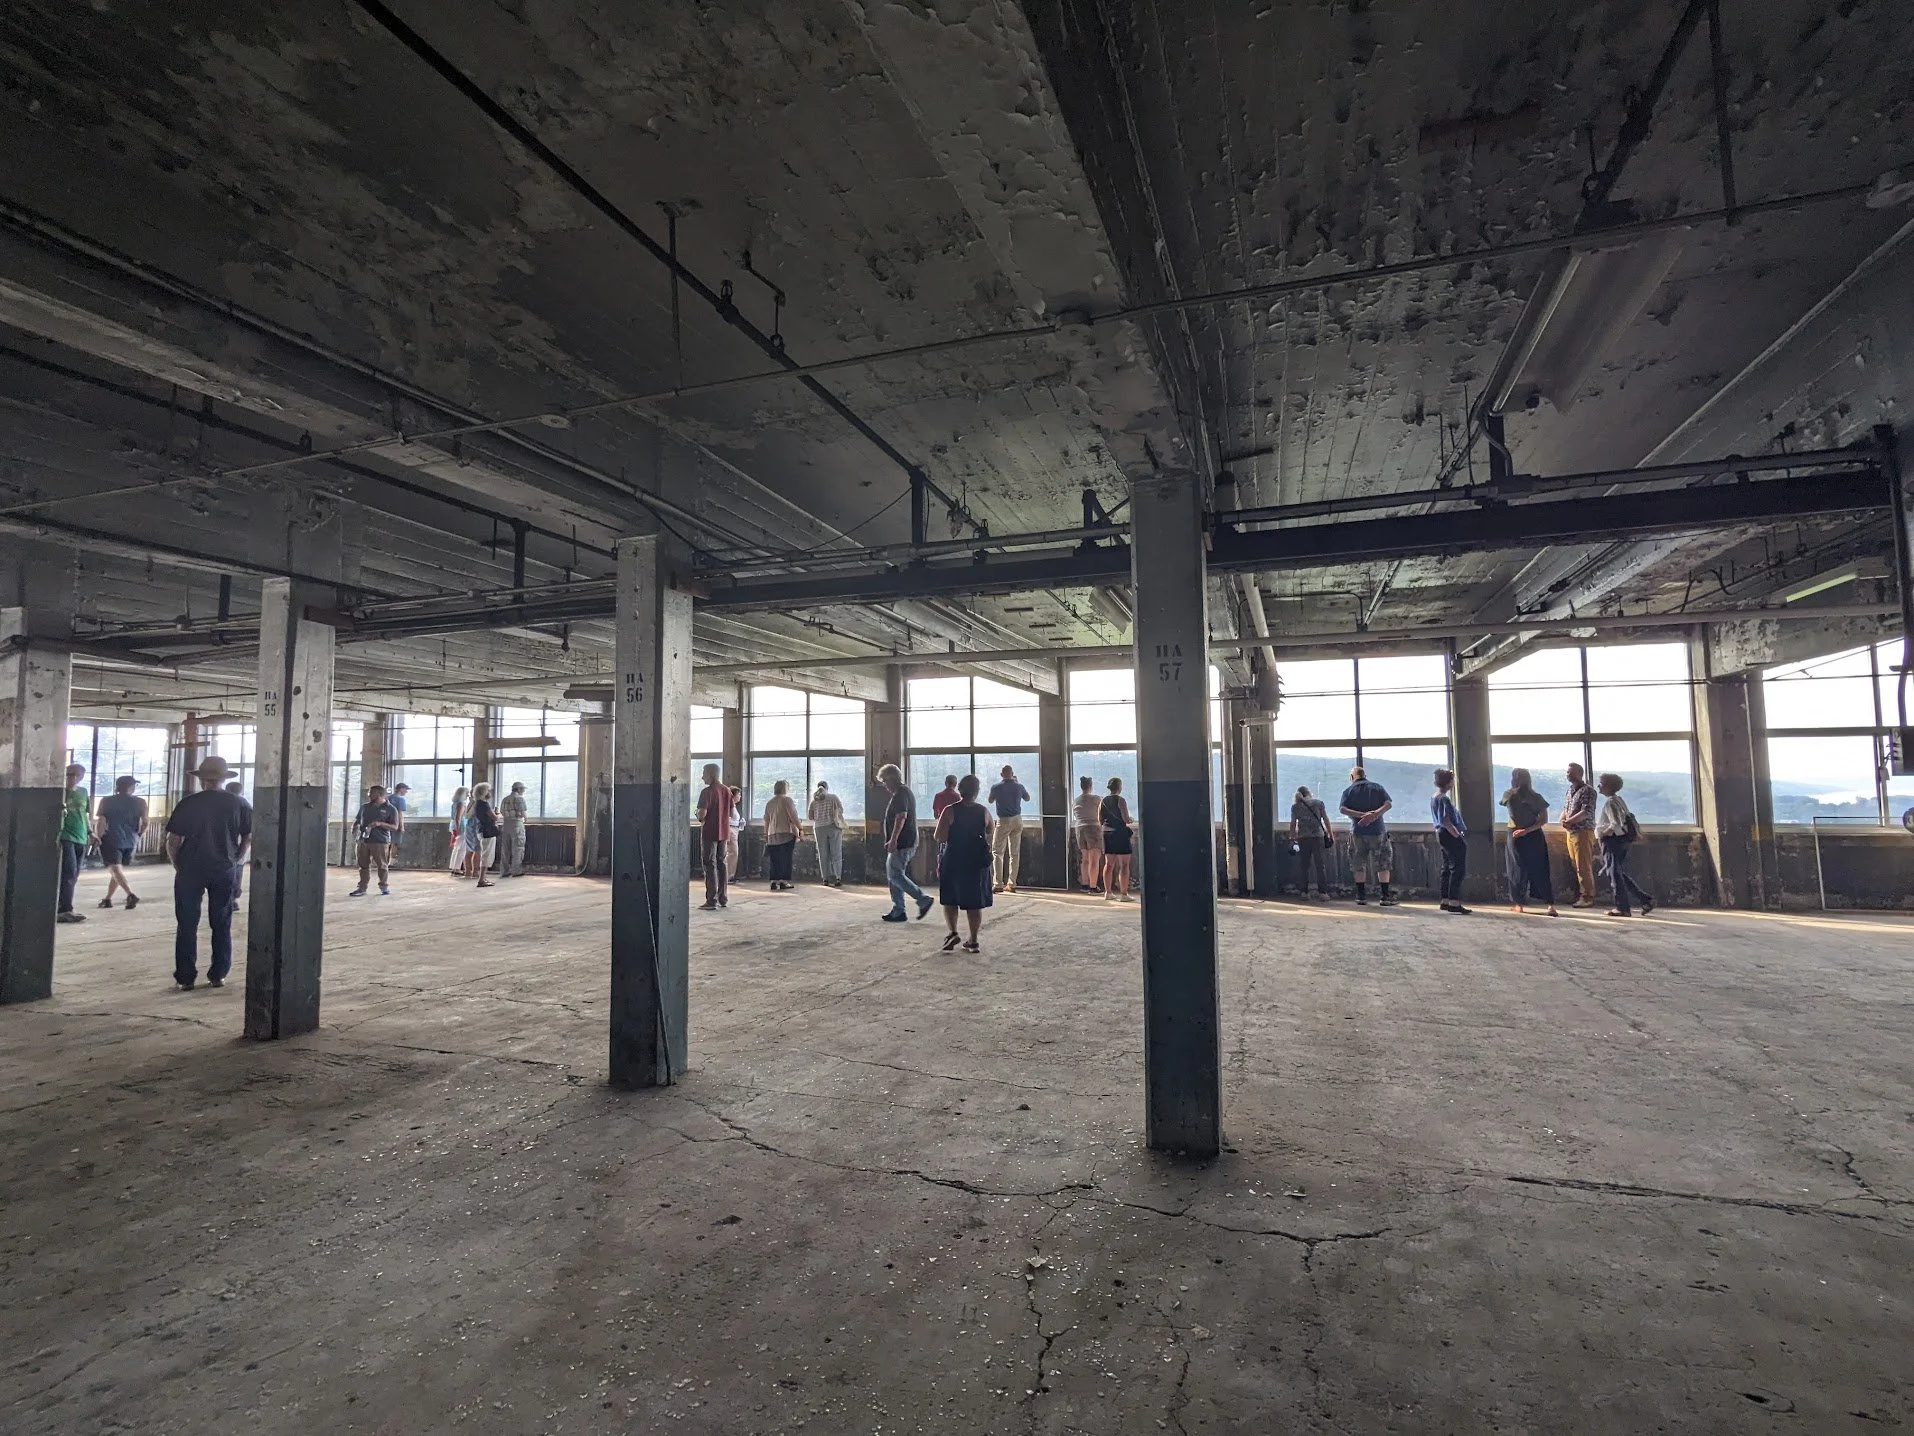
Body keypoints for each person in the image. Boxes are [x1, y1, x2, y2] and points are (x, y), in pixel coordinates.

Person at [164, 755, 252, 991]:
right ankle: (218, 974)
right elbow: (248, 837)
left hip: (190, 870)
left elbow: (173, 840)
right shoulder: (239, 804)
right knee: (221, 922)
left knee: (186, 924)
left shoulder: (188, 803)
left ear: (202, 780)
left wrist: (177, 864)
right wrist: (236, 858)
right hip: (223, 869)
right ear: (223, 779)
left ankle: (185, 977)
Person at [935, 773, 994, 952]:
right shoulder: (983, 811)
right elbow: (990, 829)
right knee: (974, 901)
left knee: (950, 898)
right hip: (976, 861)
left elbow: (940, 836)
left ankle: (953, 932)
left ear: (960, 790)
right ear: (977, 791)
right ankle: (973, 940)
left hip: (954, 858)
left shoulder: (950, 810)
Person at [876, 763, 934, 923]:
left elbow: (901, 817)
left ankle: (922, 899)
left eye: (884, 781)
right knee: (893, 875)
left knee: (895, 874)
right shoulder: (902, 793)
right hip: (902, 841)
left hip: (903, 842)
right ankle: (898, 910)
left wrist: (893, 839)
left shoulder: (901, 794)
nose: (884, 785)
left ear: (891, 778)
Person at [1596, 773, 1655, 917]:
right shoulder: (1619, 800)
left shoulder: (1610, 802)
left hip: (1612, 841)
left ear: (1608, 787)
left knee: (1614, 874)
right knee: (1618, 873)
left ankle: (1622, 907)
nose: (1599, 786)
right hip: (1622, 841)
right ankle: (1644, 899)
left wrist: (1603, 833)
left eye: (1601, 783)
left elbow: (1615, 824)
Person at [1501, 768, 1558, 916]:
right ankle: (1550, 905)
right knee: (1540, 869)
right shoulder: (1536, 797)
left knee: (1516, 869)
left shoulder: (1509, 795)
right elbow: (1543, 820)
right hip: (1534, 836)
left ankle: (1519, 904)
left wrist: (1521, 830)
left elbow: (1513, 815)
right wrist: (1528, 830)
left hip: (1515, 834)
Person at [1338, 766, 1396, 906]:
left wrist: (1360, 815)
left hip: (1357, 832)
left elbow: (1342, 809)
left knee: (1358, 863)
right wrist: (1374, 815)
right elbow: (1388, 804)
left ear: (1352, 777)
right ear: (1365, 775)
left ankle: (1361, 896)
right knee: (1383, 863)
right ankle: (1384, 896)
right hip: (1378, 831)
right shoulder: (1377, 787)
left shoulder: (1348, 791)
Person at [94, 774, 148, 911]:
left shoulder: (106, 801)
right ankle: (107, 899)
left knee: (115, 869)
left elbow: (101, 821)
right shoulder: (141, 802)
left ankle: (130, 894)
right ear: (131, 787)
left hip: (111, 837)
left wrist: (98, 837)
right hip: (130, 839)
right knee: (118, 870)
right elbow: (145, 823)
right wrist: (138, 835)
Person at [349, 784, 401, 896]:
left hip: (380, 841)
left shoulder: (391, 809)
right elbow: (358, 819)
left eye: (371, 792)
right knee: (363, 865)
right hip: (363, 840)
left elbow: (395, 827)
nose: (368, 794)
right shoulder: (364, 807)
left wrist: (380, 824)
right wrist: (354, 826)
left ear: (379, 794)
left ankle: (383, 886)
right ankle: (362, 887)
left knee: (382, 865)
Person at [1431, 769, 1471, 914]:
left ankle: (1445, 900)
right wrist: (1456, 835)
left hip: (1440, 834)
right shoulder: (1444, 799)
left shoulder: (1435, 796)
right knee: (1457, 868)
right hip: (1448, 834)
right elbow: (1446, 820)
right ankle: (1454, 902)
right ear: (1449, 782)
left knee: (1447, 867)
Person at [696, 765, 735, 911]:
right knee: (722, 863)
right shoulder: (726, 790)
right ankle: (723, 898)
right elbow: (731, 812)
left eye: (704, 773)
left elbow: (702, 814)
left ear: (711, 774)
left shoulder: (706, 792)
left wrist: (699, 817)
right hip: (724, 832)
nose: (702, 777)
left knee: (709, 864)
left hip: (709, 832)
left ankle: (711, 900)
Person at [1560, 762, 1599, 908]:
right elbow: (1566, 808)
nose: (1568, 774)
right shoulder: (1570, 790)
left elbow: (1586, 812)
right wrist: (1563, 820)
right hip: (1571, 832)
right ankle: (1581, 894)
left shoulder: (1588, 791)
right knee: (1575, 864)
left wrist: (1569, 821)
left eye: (1570, 772)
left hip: (1583, 832)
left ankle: (1587, 896)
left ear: (1579, 773)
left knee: (1583, 866)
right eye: (1567, 772)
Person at [987, 765, 1031, 893]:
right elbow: (1027, 798)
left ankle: (998, 884)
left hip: (1003, 820)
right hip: (1017, 820)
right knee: (1014, 853)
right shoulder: (1019, 786)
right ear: (1012, 773)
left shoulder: (996, 787)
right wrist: (1017, 784)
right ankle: (1012, 884)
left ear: (1001, 774)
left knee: (997, 852)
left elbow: (990, 800)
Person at [57, 763, 89, 925]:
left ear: (82, 776)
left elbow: (85, 814)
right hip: (65, 836)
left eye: (76, 775)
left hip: (81, 836)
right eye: (69, 774)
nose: (73, 778)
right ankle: (64, 909)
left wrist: (90, 832)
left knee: (75, 874)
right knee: (68, 872)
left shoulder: (83, 792)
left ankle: (65, 906)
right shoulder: (60, 792)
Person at [1288, 785, 1331, 900]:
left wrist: (1292, 839)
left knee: (1304, 866)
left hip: (1303, 838)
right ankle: (1323, 893)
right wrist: (1330, 834)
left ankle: (1304, 892)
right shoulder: (1319, 803)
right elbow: (1325, 819)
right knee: (1320, 865)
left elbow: (1293, 824)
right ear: (1309, 793)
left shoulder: (1295, 807)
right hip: (1318, 837)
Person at [762, 780, 803, 891]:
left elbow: (766, 820)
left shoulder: (769, 802)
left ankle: (773, 881)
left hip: (772, 834)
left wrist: (766, 834)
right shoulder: (787, 800)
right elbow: (793, 816)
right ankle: (783, 881)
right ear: (785, 788)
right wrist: (800, 828)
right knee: (786, 858)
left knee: (774, 859)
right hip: (786, 833)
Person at [1099, 776, 1135, 902]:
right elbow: (1125, 818)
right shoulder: (1121, 800)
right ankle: (1124, 894)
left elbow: (1100, 819)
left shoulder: (1103, 801)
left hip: (1107, 833)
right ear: (1119, 787)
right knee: (1124, 865)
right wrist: (1130, 819)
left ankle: (1108, 892)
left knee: (1109, 864)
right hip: (1120, 833)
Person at [808, 779, 846, 887]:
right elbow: (841, 810)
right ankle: (838, 878)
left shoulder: (813, 801)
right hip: (833, 827)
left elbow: (810, 817)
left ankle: (825, 879)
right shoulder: (833, 797)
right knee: (836, 853)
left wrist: (820, 816)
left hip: (819, 828)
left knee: (823, 854)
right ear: (827, 788)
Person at [1072, 776, 1104, 892]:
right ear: (1090, 786)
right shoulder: (1096, 799)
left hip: (1079, 828)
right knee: (1094, 859)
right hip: (1093, 828)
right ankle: (1093, 886)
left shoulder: (1076, 800)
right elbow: (1103, 812)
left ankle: (1085, 884)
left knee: (1085, 858)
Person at [224, 779, 250, 914]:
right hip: (239, 845)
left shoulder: (221, 803)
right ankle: (233, 899)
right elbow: (249, 832)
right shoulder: (244, 803)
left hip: (223, 845)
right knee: (237, 872)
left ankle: (228, 899)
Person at [469, 783, 500, 888]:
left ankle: (483, 878)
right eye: (488, 790)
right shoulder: (484, 804)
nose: (489, 792)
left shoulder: (477, 803)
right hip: (488, 831)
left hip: (481, 830)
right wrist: (498, 815)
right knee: (487, 855)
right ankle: (481, 879)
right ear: (483, 792)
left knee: (485, 854)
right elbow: (494, 817)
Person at [931, 774, 961, 877]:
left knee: (941, 854)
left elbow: (935, 815)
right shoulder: (957, 797)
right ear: (955, 784)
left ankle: (941, 873)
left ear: (945, 783)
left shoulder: (938, 796)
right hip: (954, 831)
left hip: (941, 828)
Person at [499, 780, 529, 877]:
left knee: (505, 849)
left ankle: (504, 871)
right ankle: (516, 870)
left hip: (506, 824)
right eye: (523, 789)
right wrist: (526, 819)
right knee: (518, 848)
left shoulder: (504, 799)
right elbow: (523, 813)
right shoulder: (519, 798)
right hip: (516, 824)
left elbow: (501, 812)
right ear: (518, 789)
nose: (523, 791)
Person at [447, 786, 471, 877]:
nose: (468, 795)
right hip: (461, 826)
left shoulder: (454, 803)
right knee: (461, 848)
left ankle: (454, 867)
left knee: (456, 847)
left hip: (453, 825)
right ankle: (457, 868)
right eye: (467, 793)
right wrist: (458, 828)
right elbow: (458, 817)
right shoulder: (461, 804)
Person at [726, 787, 744, 883]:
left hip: (734, 829)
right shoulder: (729, 806)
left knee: (733, 853)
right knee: (732, 852)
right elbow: (727, 819)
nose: (740, 796)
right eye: (739, 794)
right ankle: (728, 875)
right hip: (731, 830)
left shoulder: (733, 806)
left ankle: (730, 874)